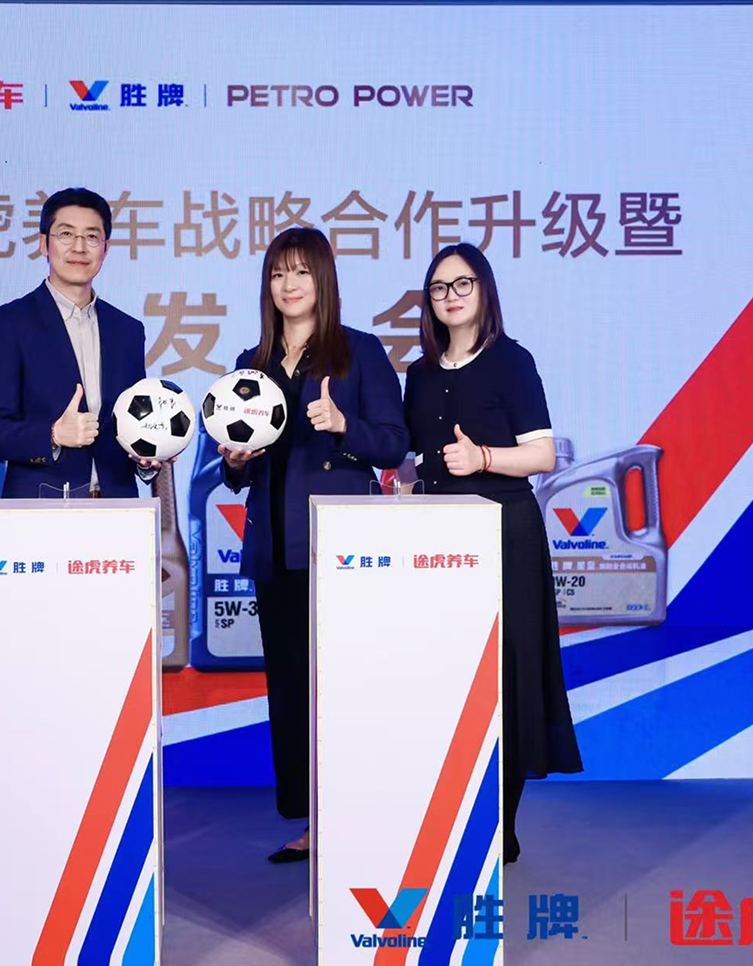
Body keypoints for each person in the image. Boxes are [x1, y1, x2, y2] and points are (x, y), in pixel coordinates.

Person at [221, 227, 408, 862]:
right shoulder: (252, 362)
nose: (289, 284)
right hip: (274, 549)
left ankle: (359, 819)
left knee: (346, 691)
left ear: (323, 279)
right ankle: (312, 822)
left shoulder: (358, 352)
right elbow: (236, 470)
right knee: (290, 692)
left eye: (301, 271)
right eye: (278, 273)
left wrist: (344, 425)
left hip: (339, 552)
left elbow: (394, 443)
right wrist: (236, 460)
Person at [403, 242, 583, 863]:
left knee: (505, 677)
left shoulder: (512, 360)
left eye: (463, 284)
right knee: (447, 681)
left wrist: (481, 457)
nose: (450, 297)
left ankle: (500, 823)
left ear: (484, 290)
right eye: (439, 288)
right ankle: (448, 814)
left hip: (504, 533)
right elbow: (417, 456)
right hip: (436, 539)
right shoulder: (419, 373)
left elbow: (544, 454)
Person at [0, 186, 160, 496]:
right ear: (44, 244)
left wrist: (146, 457)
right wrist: (52, 435)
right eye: (66, 234)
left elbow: (130, 424)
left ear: (105, 249)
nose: (79, 247)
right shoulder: (9, 323)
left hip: (118, 506)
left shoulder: (127, 329)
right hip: (41, 505)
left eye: (92, 237)